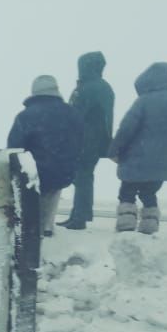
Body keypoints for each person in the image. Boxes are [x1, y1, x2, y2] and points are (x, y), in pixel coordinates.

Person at [108, 62, 167, 234]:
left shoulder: (143, 102)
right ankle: (149, 225)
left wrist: (114, 150)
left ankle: (126, 225)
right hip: (162, 162)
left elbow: (126, 129)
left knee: (127, 192)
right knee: (149, 193)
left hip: (136, 158)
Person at [7, 75, 84, 237]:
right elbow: (80, 141)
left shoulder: (26, 116)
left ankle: (36, 231)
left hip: (35, 173)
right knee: (54, 185)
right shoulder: (73, 114)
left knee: (35, 190)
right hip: (65, 171)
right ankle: (47, 226)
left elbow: (14, 149)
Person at [58, 51, 115, 229]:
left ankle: (79, 217)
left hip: (83, 139)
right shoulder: (103, 87)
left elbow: (74, 114)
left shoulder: (88, 87)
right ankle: (79, 214)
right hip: (95, 140)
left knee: (82, 177)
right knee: (84, 176)